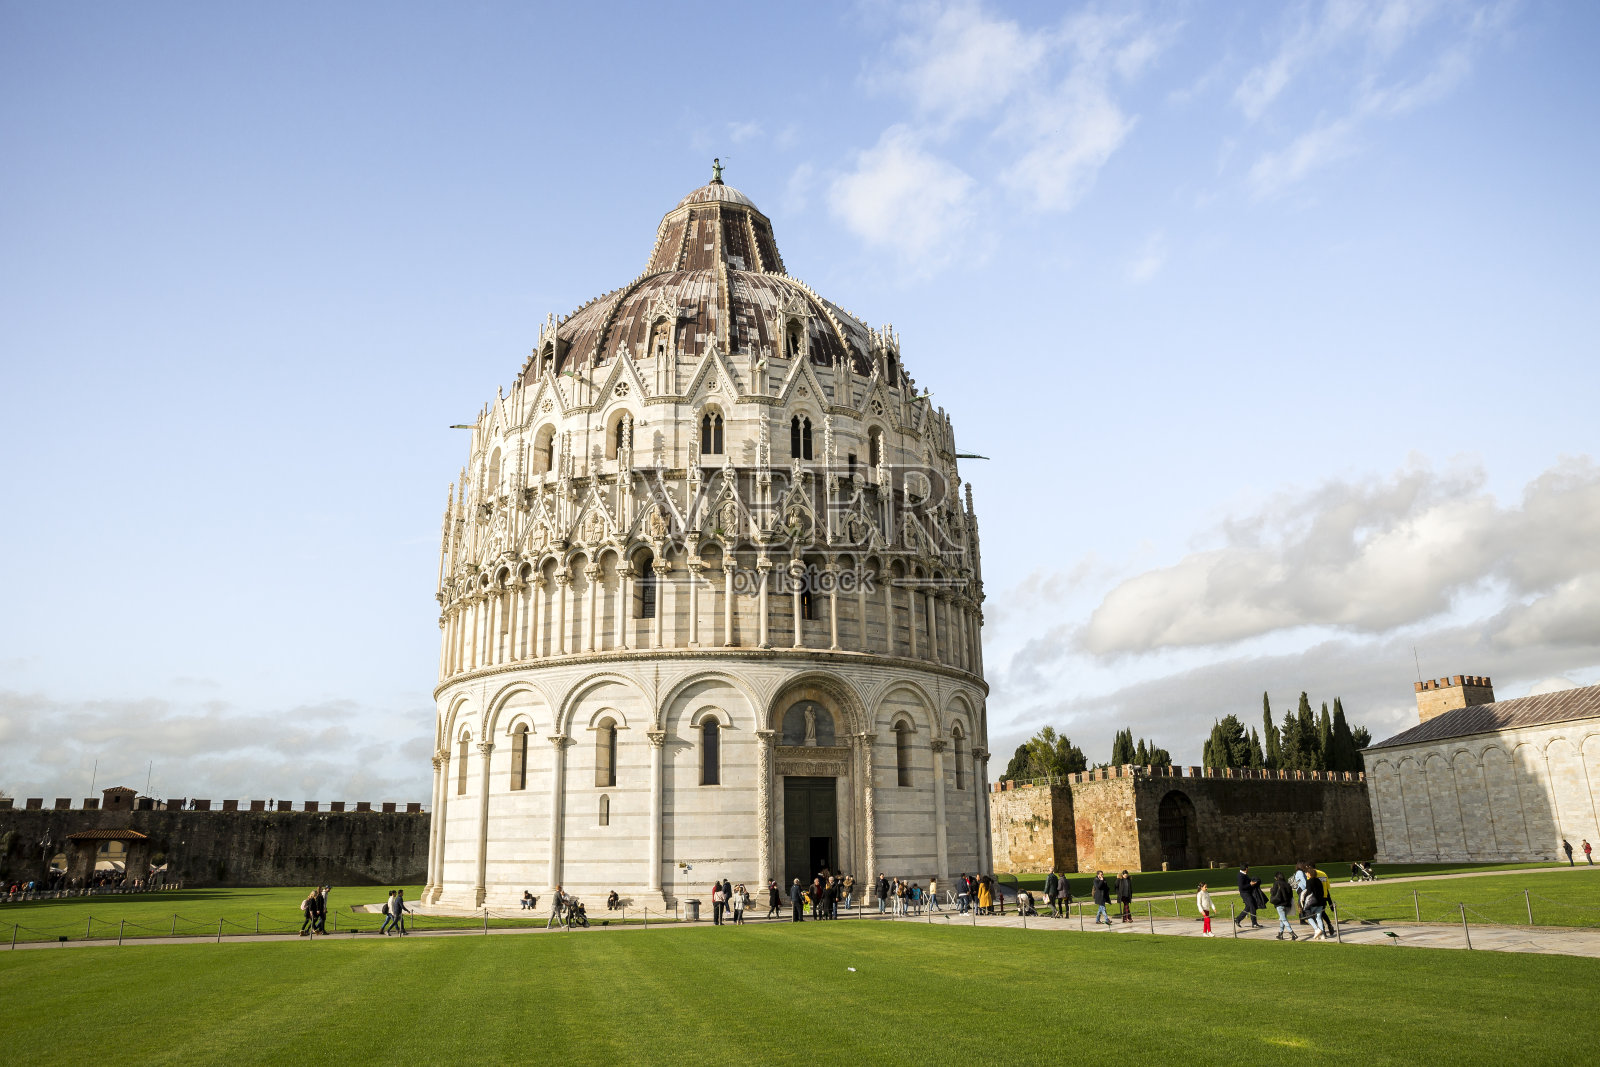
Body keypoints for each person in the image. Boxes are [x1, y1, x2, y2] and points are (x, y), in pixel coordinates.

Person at [1299, 863, 1328, 940]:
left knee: (1308, 916)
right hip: (1320, 901)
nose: (1306, 874)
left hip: (1312, 902)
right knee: (1318, 918)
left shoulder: (1309, 881)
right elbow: (1322, 891)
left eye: (1306, 873)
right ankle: (1322, 935)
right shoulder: (1319, 881)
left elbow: (1308, 892)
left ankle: (1316, 929)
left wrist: (1303, 899)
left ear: (1309, 874)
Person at [1269, 873, 1297, 941]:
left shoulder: (1276, 883)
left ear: (1276, 878)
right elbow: (1291, 895)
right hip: (1287, 904)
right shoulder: (1288, 884)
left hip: (1280, 904)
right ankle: (1280, 934)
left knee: (1284, 920)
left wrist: (1271, 890)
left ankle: (1292, 933)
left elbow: (1274, 893)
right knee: (1282, 919)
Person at [1234, 865, 1261, 930]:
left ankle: (1237, 919)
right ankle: (1254, 923)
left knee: (1248, 907)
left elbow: (1247, 881)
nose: (1248, 869)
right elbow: (1241, 887)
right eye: (1248, 868)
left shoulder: (1244, 874)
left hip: (1247, 893)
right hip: (1244, 893)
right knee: (1252, 906)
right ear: (1246, 868)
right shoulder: (1240, 875)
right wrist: (1250, 884)